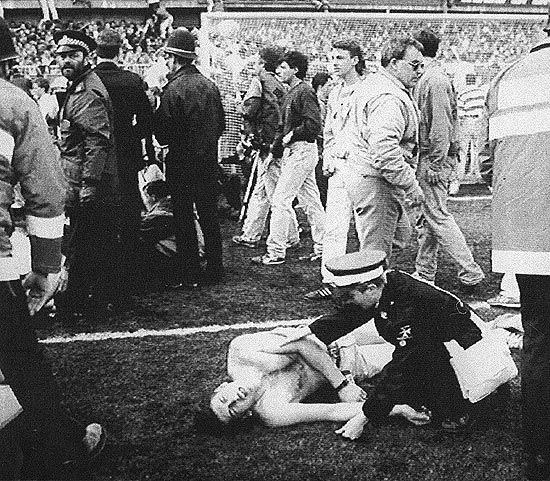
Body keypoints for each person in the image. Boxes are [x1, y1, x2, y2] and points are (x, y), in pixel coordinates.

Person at [0, 17, 105, 476]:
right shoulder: (13, 102)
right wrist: (46, 267)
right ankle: (64, 444)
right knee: (21, 356)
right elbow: (45, 193)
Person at [287, 250, 510, 440]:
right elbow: (353, 313)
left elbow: (402, 366)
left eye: (350, 296)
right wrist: (311, 330)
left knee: (434, 403)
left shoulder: (409, 308)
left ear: (371, 288)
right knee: (408, 389)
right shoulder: (389, 284)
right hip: (447, 348)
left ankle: (467, 406)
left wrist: (363, 417)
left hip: (470, 358)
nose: (347, 303)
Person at [478, 19, 550, 480]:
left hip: (526, 237)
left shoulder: (508, 74)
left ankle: (538, 452)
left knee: (540, 341)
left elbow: (487, 161)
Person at [207, 324, 411, 430]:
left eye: (225, 399)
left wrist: (343, 385)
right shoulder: (273, 411)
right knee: (425, 350)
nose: (234, 400)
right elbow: (331, 411)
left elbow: (302, 345)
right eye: (233, 410)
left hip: (340, 334)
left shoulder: (240, 351)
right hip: (354, 363)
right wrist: (398, 409)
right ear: (246, 415)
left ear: (221, 387)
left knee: (417, 323)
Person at [54, 29, 121, 320]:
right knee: (90, 245)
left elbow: (97, 141)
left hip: (90, 184)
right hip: (83, 181)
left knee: (88, 246)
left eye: (72, 55)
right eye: (62, 56)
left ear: (87, 57)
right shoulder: (78, 86)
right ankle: (91, 302)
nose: (66, 61)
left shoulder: (87, 91)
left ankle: (85, 303)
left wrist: (89, 186)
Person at [412, 29, 485, 289]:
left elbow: (440, 126)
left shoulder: (435, 80)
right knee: (430, 218)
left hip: (433, 158)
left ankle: (470, 271)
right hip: (433, 155)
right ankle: (424, 272)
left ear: (419, 50)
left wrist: (435, 162)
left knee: (437, 216)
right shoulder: (430, 78)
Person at [154, 28, 226, 287]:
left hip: (181, 162)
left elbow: (162, 134)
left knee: (183, 217)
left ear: (173, 59)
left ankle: (189, 271)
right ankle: (215, 269)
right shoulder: (210, 86)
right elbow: (220, 126)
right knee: (209, 215)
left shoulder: (172, 90)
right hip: (207, 161)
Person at [94, 28, 156, 296]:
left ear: (96, 51)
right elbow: (146, 124)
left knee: (99, 210)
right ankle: (132, 271)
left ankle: (102, 270)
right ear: (120, 50)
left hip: (96, 155)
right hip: (127, 154)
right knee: (130, 209)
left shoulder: (89, 80)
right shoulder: (132, 81)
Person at [305, 38, 366, 300]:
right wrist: (328, 155)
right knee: (334, 227)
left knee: (366, 228)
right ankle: (331, 280)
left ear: (354, 60)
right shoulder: (336, 92)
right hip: (340, 167)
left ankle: (369, 279)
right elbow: (329, 130)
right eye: (332, 58)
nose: (334, 63)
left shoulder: (367, 89)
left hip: (362, 168)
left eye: (340, 58)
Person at [252, 50, 325, 265]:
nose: (278, 71)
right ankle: (322, 247)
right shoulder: (290, 92)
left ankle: (275, 252)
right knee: (312, 202)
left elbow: (313, 125)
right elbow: (282, 129)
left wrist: (292, 134)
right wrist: (274, 154)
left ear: (295, 70)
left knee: (280, 200)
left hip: (302, 150)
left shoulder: (304, 91)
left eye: (284, 67)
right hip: (295, 152)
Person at [232, 46, 300, 250]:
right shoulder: (283, 82)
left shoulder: (259, 81)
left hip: (267, 142)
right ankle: (253, 233)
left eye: (256, 62)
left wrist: (238, 105)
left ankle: (288, 235)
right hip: (279, 140)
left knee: (273, 192)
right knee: (264, 189)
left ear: (262, 64)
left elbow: (250, 109)